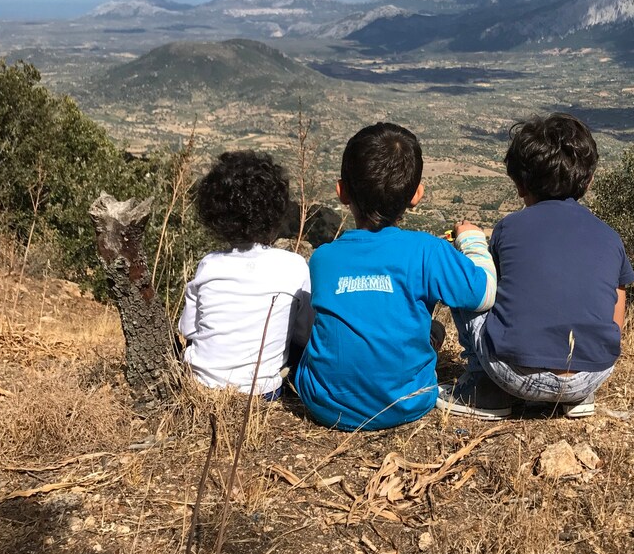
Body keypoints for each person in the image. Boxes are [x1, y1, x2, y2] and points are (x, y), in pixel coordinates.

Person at [295, 123, 496, 430]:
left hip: (323, 404)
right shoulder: (426, 250)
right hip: (408, 401)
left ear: (342, 191)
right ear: (417, 195)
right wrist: (472, 241)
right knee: (432, 329)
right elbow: (483, 294)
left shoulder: (323, 257)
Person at [436, 113, 634, 420]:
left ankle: (484, 390)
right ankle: (577, 399)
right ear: (589, 179)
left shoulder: (509, 227)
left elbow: (490, 290)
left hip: (513, 374)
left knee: (469, 272)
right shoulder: (609, 236)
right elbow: (616, 310)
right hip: (592, 373)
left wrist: (469, 242)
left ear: (519, 183)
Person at [178, 151, 311, 398]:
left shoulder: (209, 265)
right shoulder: (295, 266)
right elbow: (304, 335)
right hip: (264, 391)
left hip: (202, 384)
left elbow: (189, 330)